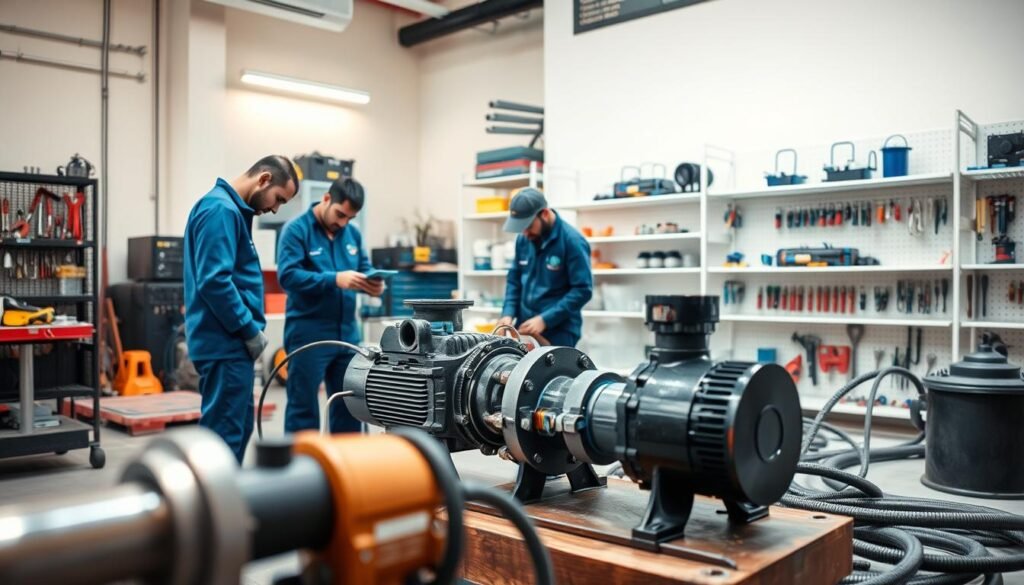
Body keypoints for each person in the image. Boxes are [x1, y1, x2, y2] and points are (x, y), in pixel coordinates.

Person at [184, 155, 299, 463]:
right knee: (224, 439)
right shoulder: (220, 210)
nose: (275, 209)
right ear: (263, 179)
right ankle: (215, 508)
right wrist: (249, 329)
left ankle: (223, 502)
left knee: (237, 429)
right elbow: (214, 282)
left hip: (231, 346)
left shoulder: (230, 211)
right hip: (225, 344)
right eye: (278, 199)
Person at [277, 177, 383, 434]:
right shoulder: (296, 230)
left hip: (347, 333)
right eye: (340, 214)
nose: (343, 222)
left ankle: (344, 468)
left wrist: (374, 283)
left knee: (350, 404)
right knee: (303, 407)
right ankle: (301, 469)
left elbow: (364, 268)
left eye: (350, 217)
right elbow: (288, 277)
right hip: (308, 333)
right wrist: (333, 279)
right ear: (326, 199)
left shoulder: (352, 234)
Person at [498, 188, 593, 347]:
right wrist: (507, 313)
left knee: (556, 372)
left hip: (560, 330)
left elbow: (582, 290)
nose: (525, 233)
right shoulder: (523, 240)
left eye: (528, 226)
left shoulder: (573, 242)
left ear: (545, 214)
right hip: (526, 327)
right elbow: (514, 281)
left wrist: (545, 319)